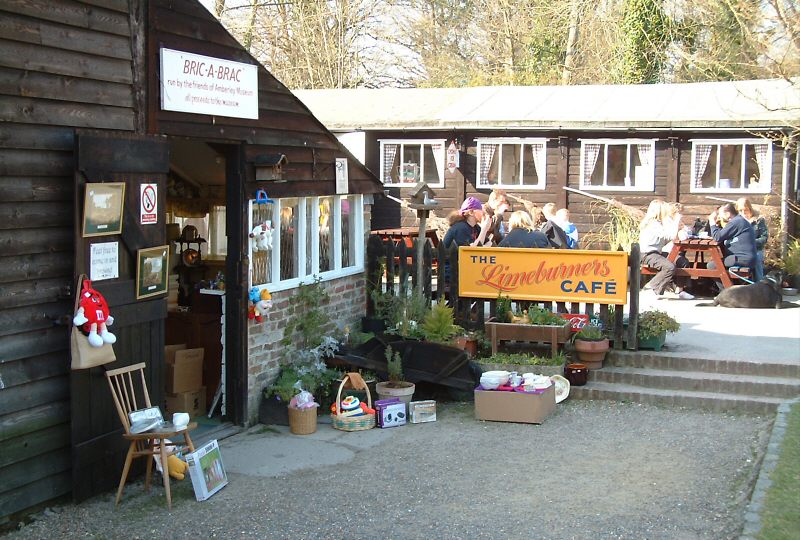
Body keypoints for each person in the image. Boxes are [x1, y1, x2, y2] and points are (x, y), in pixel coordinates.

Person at [639, 200, 694, 299]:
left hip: (657, 253)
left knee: (682, 262)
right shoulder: (653, 224)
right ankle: (650, 287)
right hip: (647, 254)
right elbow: (671, 235)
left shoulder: (658, 223)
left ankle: (679, 291)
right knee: (669, 267)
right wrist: (677, 221)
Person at [707, 203, 757, 283]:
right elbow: (721, 235)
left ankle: (727, 291)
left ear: (727, 214)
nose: (719, 216)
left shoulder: (736, 222)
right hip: (743, 258)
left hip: (742, 258)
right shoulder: (738, 220)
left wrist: (712, 221)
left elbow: (717, 237)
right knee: (717, 264)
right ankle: (731, 289)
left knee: (713, 265)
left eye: (720, 214)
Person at [735, 197, 768, 281]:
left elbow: (764, 237)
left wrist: (752, 242)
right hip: (741, 250)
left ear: (749, 208)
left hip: (755, 249)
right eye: (740, 210)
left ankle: (759, 285)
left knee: (756, 258)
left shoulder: (759, 220)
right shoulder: (736, 221)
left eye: (745, 210)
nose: (743, 213)